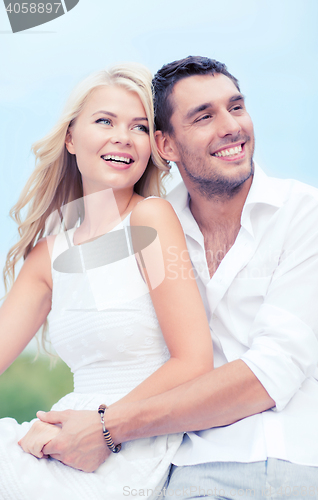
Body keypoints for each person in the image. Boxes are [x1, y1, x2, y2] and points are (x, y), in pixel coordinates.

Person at [36, 56, 318, 498]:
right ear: (167, 146)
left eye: (236, 107)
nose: (231, 127)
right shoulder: (148, 228)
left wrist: (104, 426)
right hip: (189, 471)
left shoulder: (312, 215)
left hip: (301, 463)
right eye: (204, 117)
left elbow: (271, 373)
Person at [0, 62, 215, 500]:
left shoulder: (150, 218)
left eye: (139, 127)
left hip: (131, 442)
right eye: (105, 121)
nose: (123, 136)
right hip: (66, 433)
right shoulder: (47, 258)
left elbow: (194, 361)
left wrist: (101, 427)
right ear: (71, 138)